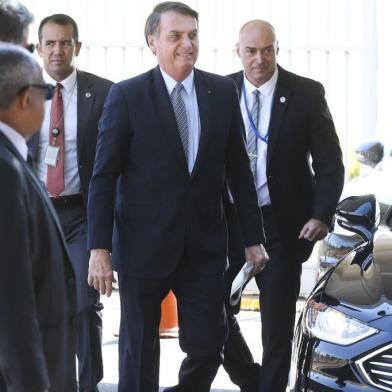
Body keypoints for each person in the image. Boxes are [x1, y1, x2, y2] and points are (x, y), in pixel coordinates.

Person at [87, 2, 269, 392]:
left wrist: (253, 238)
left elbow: (239, 169)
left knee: (208, 343)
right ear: (153, 42)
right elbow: (103, 178)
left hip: (203, 244)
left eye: (193, 35)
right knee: (138, 351)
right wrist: (99, 248)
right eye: (175, 36)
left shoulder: (221, 91)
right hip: (141, 244)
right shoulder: (127, 96)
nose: (186, 44)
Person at [221, 20, 345, 392]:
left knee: (276, 328)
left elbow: (329, 161)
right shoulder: (220, 91)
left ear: (277, 49)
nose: (259, 59)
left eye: (267, 50)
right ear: (238, 51)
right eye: (251, 51)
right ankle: (251, 380)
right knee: (211, 314)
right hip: (228, 222)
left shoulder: (305, 94)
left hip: (282, 224)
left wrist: (321, 213)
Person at [28, 14, 112, 392]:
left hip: (81, 214)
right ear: (38, 48)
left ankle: (88, 384)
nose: (58, 50)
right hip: (35, 214)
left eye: (65, 43)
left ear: (77, 47)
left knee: (82, 303)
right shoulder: (19, 94)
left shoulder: (107, 93)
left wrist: (104, 242)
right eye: (50, 43)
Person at [0, 42, 77, 392]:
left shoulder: (14, 157)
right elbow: (11, 294)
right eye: (45, 92)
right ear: (24, 99)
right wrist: (32, 381)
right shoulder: (5, 169)